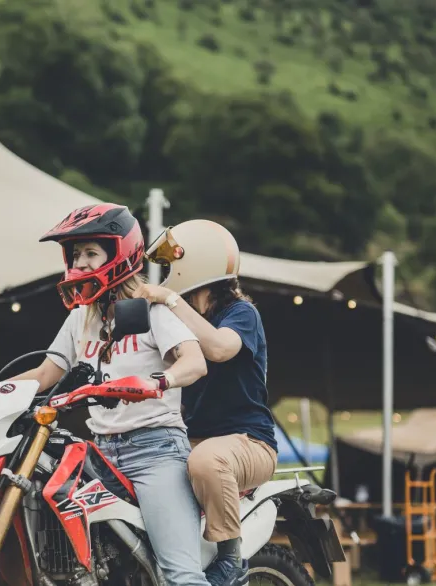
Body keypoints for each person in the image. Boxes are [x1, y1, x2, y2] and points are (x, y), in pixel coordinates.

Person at [10, 203, 212, 586]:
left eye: (90, 253)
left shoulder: (149, 310)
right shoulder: (80, 317)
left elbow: (195, 362)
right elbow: (46, 373)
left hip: (155, 451)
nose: (80, 263)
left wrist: (160, 382)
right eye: (75, 254)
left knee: (181, 574)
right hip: (99, 455)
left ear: (119, 252)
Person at [135, 219, 279, 586]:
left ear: (194, 263)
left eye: (169, 266)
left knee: (206, 461)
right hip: (189, 440)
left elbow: (218, 348)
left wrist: (168, 299)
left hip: (248, 442)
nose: (165, 276)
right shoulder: (182, 322)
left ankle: (231, 559)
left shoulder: (241, 314)